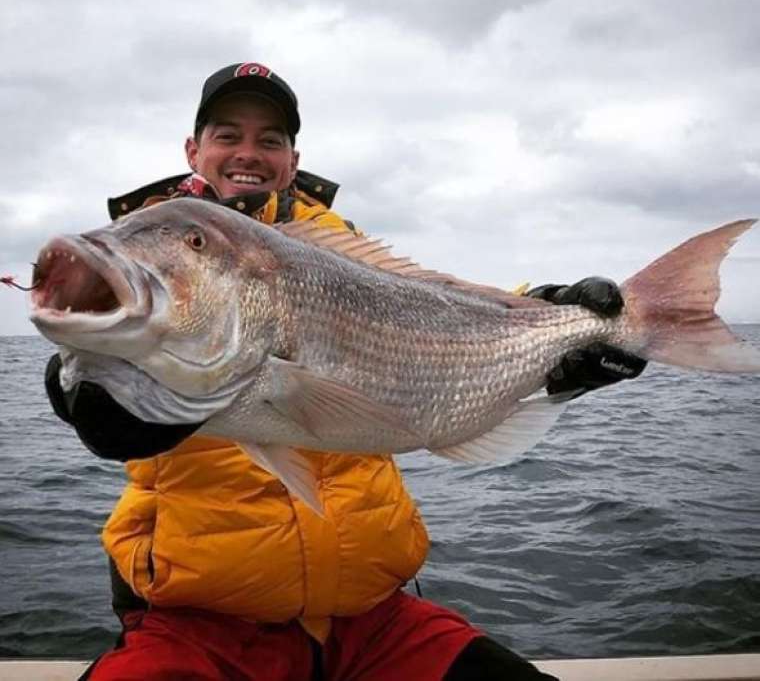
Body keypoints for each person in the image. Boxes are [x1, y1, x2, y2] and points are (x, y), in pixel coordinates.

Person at [46, 62, 646, 680]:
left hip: (374, 620)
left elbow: (442, 311)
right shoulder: (139, 255)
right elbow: (86, 359)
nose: (248, 153)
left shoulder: (342, 248)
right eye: (228, 135)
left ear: (293, 155)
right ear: (194, 149)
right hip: (198, 628)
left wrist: (554, 321)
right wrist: (76, 388)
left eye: (269, 139)